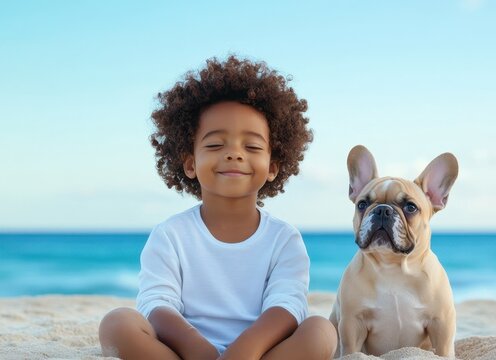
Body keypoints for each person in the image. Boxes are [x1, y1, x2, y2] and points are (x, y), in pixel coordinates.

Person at [99, 56, 337, 360]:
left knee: (321, 330)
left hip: (261, 354)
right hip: (184, 353)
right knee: (117, 323)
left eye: (251, 147)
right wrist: (199, 349)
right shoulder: (170, 235)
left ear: (273, 166)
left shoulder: (284, 239)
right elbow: (155, 302)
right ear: (189, 163)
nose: (234, 155)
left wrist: (245, 349)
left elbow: (287, 305)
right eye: (214, 145)